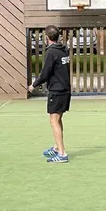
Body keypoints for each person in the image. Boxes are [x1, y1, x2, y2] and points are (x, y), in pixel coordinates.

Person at [28, 25, 71, 163]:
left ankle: (62, 154)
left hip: (57, 91)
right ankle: (57, 147)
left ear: (46, 38)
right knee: (57, 119)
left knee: (53, 120)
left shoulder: (51, 52)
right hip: (65, 89)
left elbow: (45, 73)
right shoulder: (63, 50)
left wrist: (33, 85)